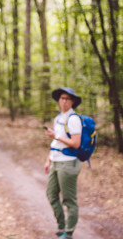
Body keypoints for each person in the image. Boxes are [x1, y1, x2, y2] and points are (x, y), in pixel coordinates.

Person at [44, 87, 82, 239]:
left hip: (68, 163)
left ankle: (69, 232)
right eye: (62, 98)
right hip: (56, 161)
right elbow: (56, 142)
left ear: (72, 101)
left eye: (67, 99)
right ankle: (62, 226)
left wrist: (56, 135)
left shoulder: (73, 119)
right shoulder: (59, 117)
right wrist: (48, 160)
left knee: (69, 199)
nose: (64, 101)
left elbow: (76, 143)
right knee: (51, 194)